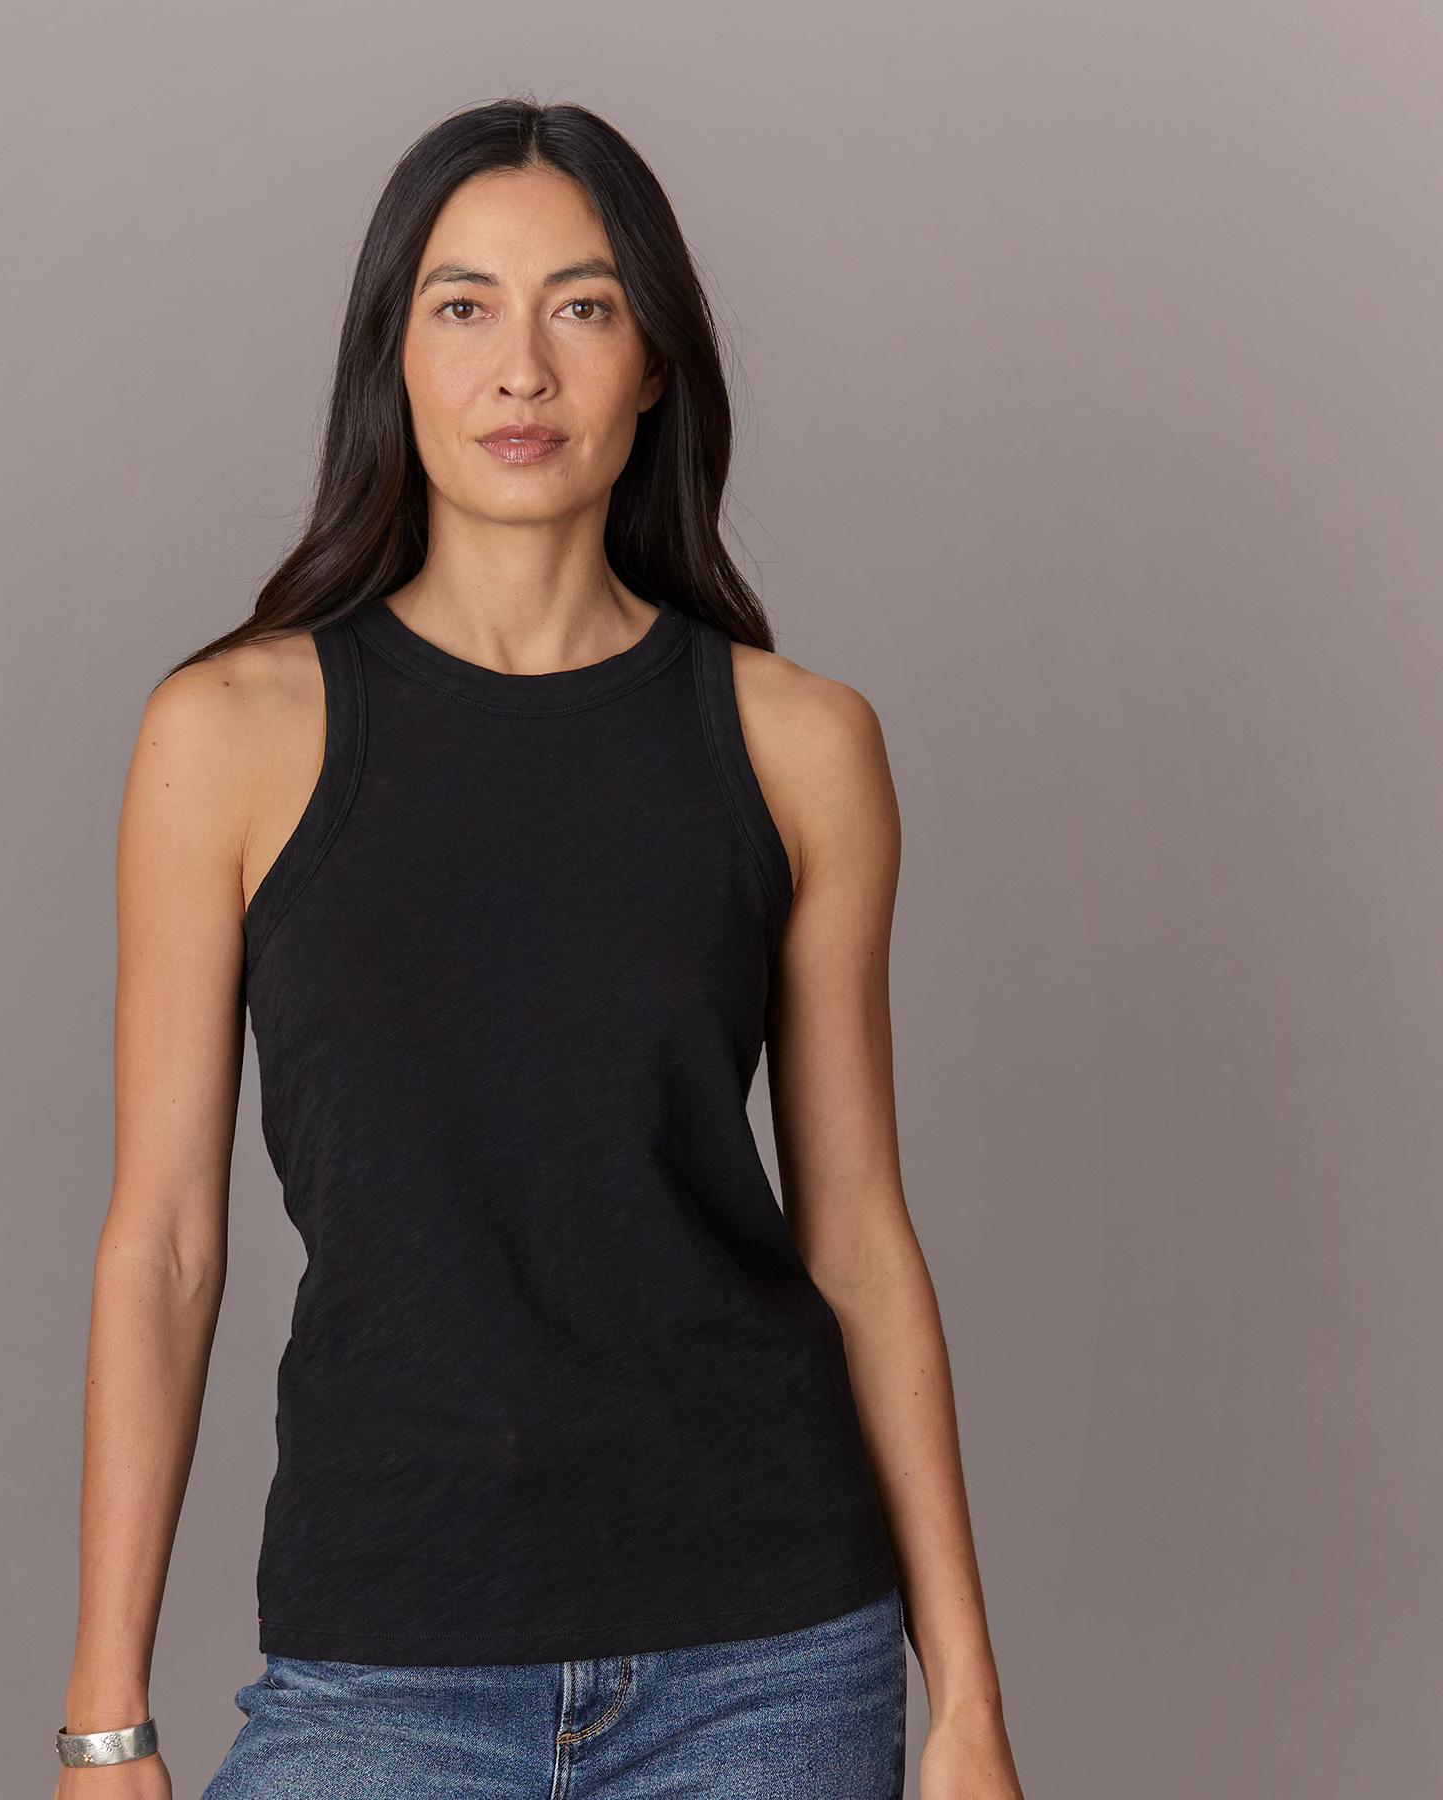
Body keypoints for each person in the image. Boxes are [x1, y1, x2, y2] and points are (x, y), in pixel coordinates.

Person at [53, 98, 1026, 1800]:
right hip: (387, 1658)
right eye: (464, 307)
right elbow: (167, 1249)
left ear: (653, 365)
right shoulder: (229, 735)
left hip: (769, 1661)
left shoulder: (801, 745)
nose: (522, 369)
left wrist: (967, 1706)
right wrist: (105, 1712)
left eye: (582, 306)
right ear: (394, 356)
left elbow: (860, 1239)